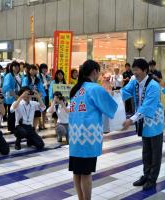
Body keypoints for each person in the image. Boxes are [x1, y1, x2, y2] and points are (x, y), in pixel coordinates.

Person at [68, 60, 117, 200]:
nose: (99, 74)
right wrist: (108, 89)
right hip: (88, 138)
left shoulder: (76, 89)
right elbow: (111, 107)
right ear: (94, 71)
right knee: (86, 174)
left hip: (75, 137)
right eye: (99, 71)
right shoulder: (95, 88)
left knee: (77, 172)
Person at [121, 58, 164, 190]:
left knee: (155, 152)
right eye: (133, 70)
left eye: (136, 70)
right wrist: (113, 94)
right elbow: (125, 92)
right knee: (146, 151)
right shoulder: (134, 82)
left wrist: (131, 119)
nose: (134, 73)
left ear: (145, 70)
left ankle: (152, 179)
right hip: (143, 121)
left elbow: (146, 107)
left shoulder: (153, 86)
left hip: (154, 121)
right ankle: (146, 175)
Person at [22, 64, 46, 130]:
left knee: (37, 114)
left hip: (36, 99)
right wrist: (32, 94)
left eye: (35, 69)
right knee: (28, 115)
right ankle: (28, 129)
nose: (33, 71)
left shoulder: (38, 80)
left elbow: (42, 90)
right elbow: (24, 89)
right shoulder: (26, 79)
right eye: (32, 69)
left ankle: (34, 129)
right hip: (28, 100)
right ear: (29, 71)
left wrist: (39, 94)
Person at [2, 61, 23, 135]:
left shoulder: (20, 75)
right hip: (11, 96)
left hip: (19, 95)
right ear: (11, 67)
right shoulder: (9, 75)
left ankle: (17, 126)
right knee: (11, 112)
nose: (16, 68)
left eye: (17, 66)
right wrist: (15, 96)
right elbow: (7, 87)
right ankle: (11, 128)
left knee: (18, 111)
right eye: (15, 66)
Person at [38, 63, 51, 130]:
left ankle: (43, 124)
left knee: (45, 108)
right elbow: (38, 86)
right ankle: (40, 124)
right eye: (43, 68)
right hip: (40, 93)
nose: (45, 70)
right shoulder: (38, 76)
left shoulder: (48, 76)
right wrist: (45, 84)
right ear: (41, 69)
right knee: (40, 108)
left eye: (46, 68)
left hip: (47, 92)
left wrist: (49, 84)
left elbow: (50, 85)